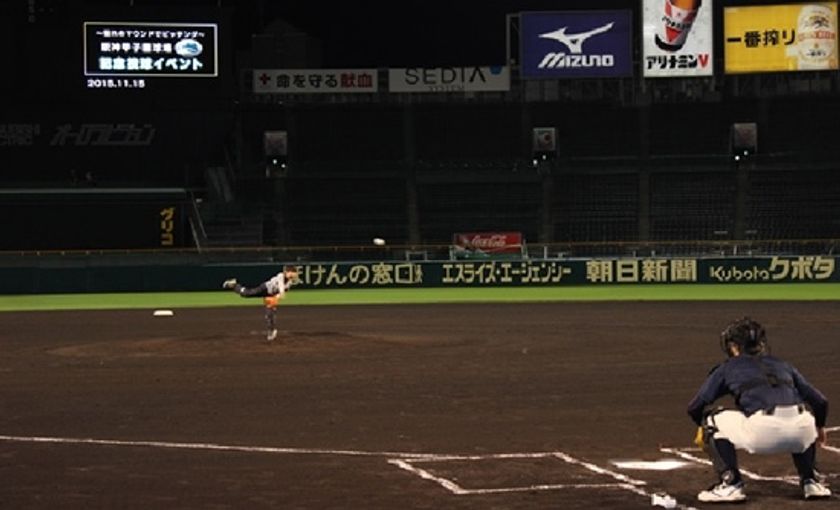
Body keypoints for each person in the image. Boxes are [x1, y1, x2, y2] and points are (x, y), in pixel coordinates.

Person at [687, 317, 831, 503]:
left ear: (733, 346)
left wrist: (703, 429)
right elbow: (820, 402)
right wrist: (819, 429)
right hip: (802, 433)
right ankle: (811, 481)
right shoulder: (783, 365)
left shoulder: (727, 368)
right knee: (802, 415)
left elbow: (695, 406)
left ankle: (731, 484)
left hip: (763, 432)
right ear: (761, 344)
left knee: (712, 419)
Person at [222, 265, 298, 341]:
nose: (294, 275)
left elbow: (281, 293)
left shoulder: (289, 282)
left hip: (271, 294)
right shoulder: (280, 276)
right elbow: (281, 290)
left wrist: (275, 298)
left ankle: (271, 331)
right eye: (292, 272)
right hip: (264, 288)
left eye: (294, 273)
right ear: (286, 272)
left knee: (270, 312)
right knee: (246, 294)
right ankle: (234, 285)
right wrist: (277, 297)